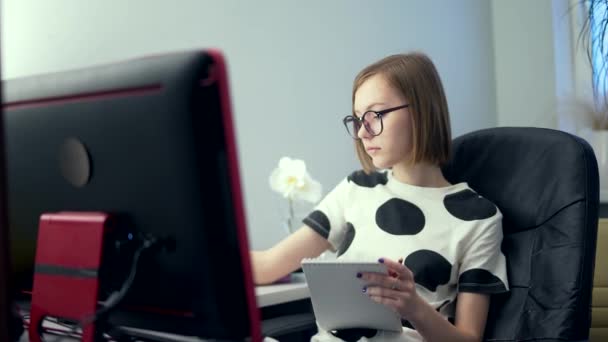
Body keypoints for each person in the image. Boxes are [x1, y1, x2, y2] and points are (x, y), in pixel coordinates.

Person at [251, 52, 508, 342]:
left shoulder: (478, 217)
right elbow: (268, 266)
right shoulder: (356, 189)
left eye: (376, 115)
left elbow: (469, 339)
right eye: (358, 119)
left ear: (421, 110)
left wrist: (415, 308)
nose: (363, 131)